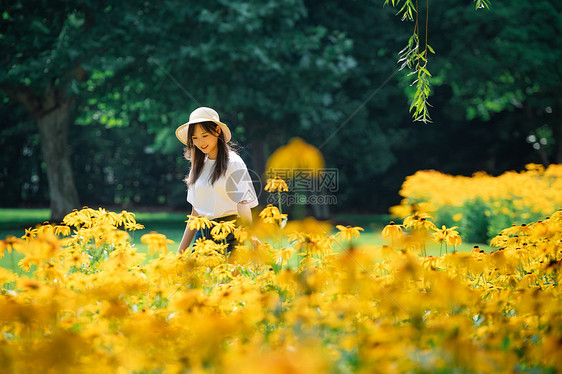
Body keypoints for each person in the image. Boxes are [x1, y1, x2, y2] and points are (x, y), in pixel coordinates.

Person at [176, 107, 260, 254]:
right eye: (195, 138)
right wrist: (181, 251)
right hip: (202, 236)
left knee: (229, 277)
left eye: (204, 135)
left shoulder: (233, 162)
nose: (200, 142)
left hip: (230, 233)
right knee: (198, 277)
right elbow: (196, 212)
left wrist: (252, 238)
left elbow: (242, 203)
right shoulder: (198, 166)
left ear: (217, 131)